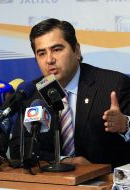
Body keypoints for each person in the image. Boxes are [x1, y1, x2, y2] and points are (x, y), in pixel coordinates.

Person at [10, 18, 130, 168]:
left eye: (57, 49)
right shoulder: (32, 92)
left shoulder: (114, 85)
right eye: (41, 53)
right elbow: (18, 149)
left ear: (77, 51)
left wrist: (125, 126)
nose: (49, 60)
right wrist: (66, 160)